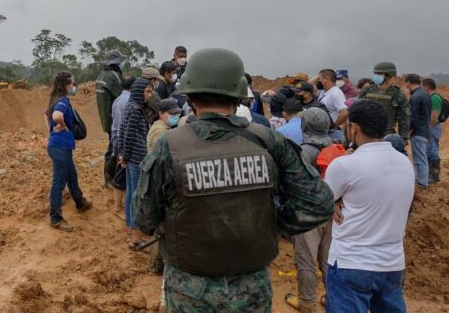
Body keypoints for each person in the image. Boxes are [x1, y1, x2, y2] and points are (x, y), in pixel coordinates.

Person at [133, 48, 334, 311]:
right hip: (251, 286)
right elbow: (318, 203)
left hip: (189, 289)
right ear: (240, 94)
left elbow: (145, 218)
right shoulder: (268, 140)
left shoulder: (169, 146)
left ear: (190, 96)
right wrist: (273, 224)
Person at [324, 100, 414, 312]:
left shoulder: (344, 166)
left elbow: (322, 201)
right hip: (392, 263)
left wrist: (335, 199)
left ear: (353, 128)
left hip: (351, 262)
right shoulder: (405, 164)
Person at [285, 107, 334, 312]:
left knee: (306, 260)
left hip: (308, 215)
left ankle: (306, 302)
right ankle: (334, 299)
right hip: (334, 212)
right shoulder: (338, 148)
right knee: (329, 260)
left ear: (304, 126)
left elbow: (292, 185)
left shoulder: (302, 152)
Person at [46, 71, 92, 232]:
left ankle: (80, 202)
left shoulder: (53, 100)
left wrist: (55, 129)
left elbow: (48, 118)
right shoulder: (63, 102)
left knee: (72, 176)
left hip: (59, 146)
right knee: (58, 183)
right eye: (72, 83)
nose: (74, 86)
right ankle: (55, 218)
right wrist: (62, 124)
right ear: (65, 85)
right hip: (60, 148)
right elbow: (57, 116)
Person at [145, 98, 181, 276]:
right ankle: (157, 263)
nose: (175, 116)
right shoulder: (161, 132)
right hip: (159, 182)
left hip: (159, 180)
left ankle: (157, 263)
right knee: (162, 226)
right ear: (161, 113)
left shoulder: (164, 129)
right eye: (171, 114)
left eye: (177, 114)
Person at [118, 77, 153, 248]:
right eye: (147, 91)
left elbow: (122, 132)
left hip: (131, 157)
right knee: (136, 196)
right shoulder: (135, 110)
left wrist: (123, 155)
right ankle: (135, 238)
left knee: (131, 193)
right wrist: (124, 156)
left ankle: (132, 231)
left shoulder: (130, 107)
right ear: (139, 92)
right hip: (137, 158)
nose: (150, 95)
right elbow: (129, 135)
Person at [358, 61, 410, 143]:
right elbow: (358, 111)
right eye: (375, 73)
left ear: (388, 75)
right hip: (366, 135)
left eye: (379, 73)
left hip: (386, 136)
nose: (376, 76)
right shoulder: (366, 90)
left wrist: (403, 138)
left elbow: (404, 118)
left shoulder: (397, 94)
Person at [96, 50, 126, 187]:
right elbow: (122, 95)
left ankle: (108, 178)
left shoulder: (102, 75)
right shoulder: (114, 76)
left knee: (112, 146)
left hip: (106, 117)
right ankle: (110, 178)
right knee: (114, 148)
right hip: (114, 118)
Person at [110, 76, 135, 216]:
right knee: (120, 173)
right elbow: (123, 126)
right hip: (123, 140)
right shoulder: (127, 101)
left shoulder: (118, 100)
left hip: (118, 139)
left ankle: (121, 205)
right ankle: (118, 209)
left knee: (122, 172)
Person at [405, 74, 432, 188]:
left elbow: (413, 117)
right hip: (424, 130)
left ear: (409, 82)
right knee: (419, 157)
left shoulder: (415, 97)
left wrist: (407, 131)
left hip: (418, 132)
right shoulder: (425, 94)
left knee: (420, 158)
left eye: (405, 82)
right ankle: (418, 180)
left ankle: (422, 182)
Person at [423, 78, 443, 183]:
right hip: (431, 126)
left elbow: (434, 117)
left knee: (432, 151)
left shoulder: (434, 98)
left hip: (432, 126)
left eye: (423, 86)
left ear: (426, 86)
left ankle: (435, 176)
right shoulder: (432, 97)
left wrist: (428, 127)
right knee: (429, 150)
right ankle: (430, 174)